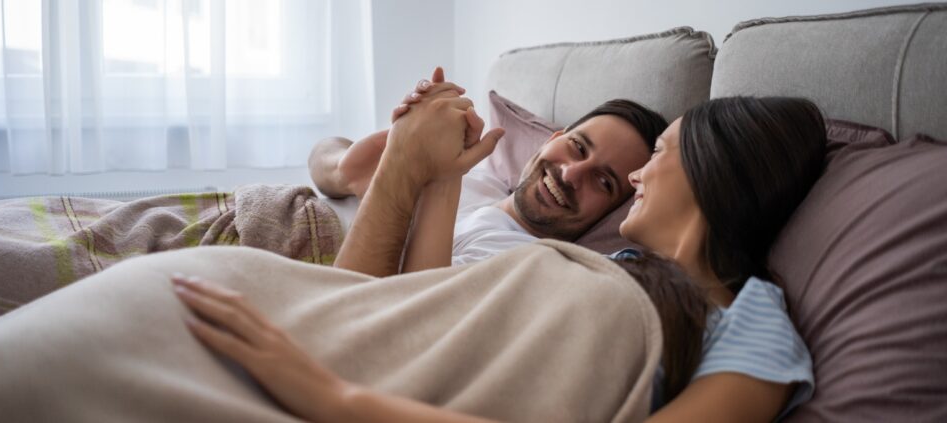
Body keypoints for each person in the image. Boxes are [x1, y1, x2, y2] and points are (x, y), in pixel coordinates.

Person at [170, 68, 828, 422]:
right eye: (582, 151)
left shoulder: (754, 322)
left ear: (711, 175)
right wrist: (442, 181)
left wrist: (338, 399)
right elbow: (428, 310)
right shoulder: (617, 271)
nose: (635, 177)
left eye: (654, 155)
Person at [309, 67, 668, 271]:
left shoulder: (530, 263)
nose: (572, 174)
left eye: (603, 181)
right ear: (551, 138)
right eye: (576, 147)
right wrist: (345, 169)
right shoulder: (482, 181)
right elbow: (321, 154)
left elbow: (404, 312)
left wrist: (417, 173)